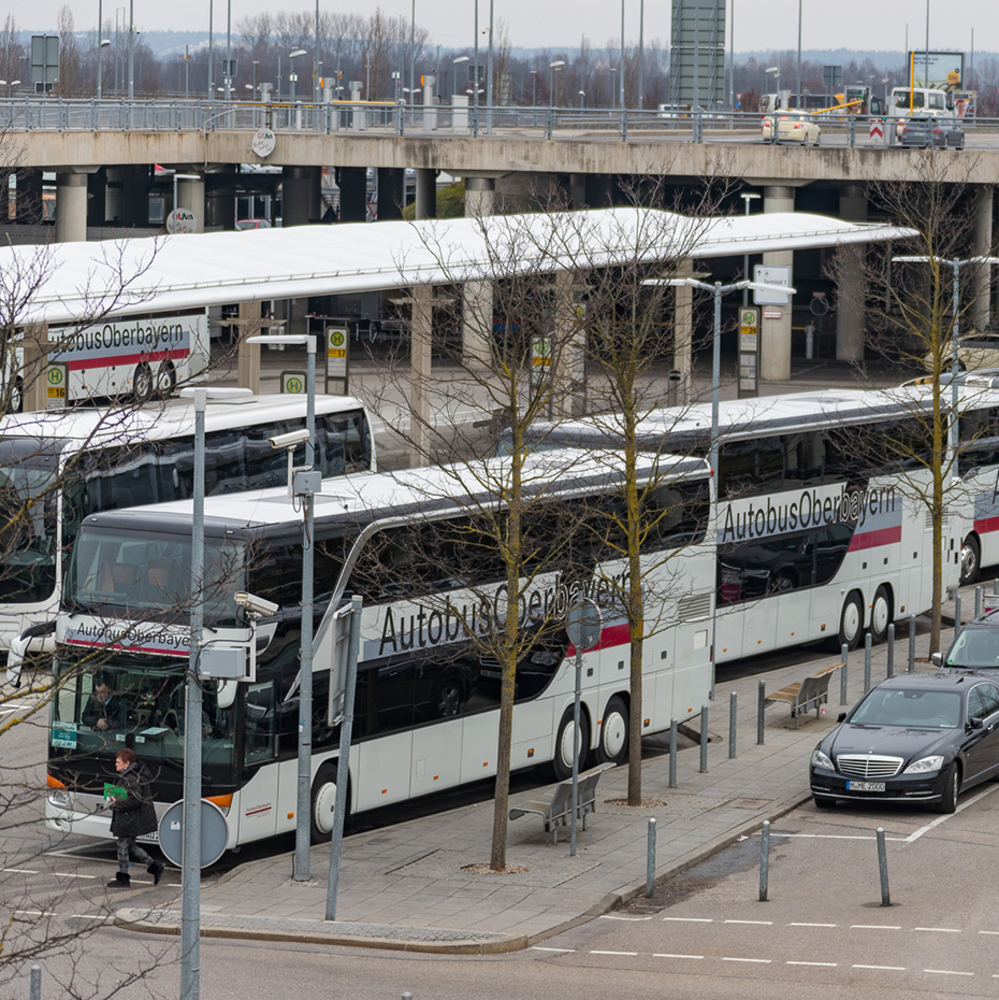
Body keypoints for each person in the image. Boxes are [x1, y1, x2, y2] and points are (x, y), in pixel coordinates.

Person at [105, 747, 165, 888]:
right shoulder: (133, 775)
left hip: (129, 819)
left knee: (122, 845)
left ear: (127, 763)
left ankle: (124, 878)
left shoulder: (131, 778)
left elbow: (134, 799)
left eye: (118, 762)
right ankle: (155, 866)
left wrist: (116, 802)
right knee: (130, 845)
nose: (115, 764)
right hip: (131, 818)